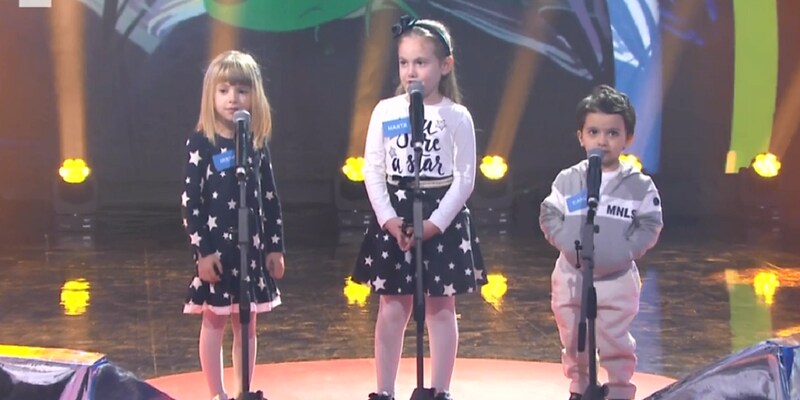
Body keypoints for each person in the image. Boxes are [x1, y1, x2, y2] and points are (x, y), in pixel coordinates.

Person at [352, 15, 487, 400]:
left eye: (421, 62)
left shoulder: (456, 116)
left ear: (445, 65)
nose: (411, 71)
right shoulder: (386, 111)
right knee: (392, 308)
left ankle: (440, 389)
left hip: (439, 215)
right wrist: (389, 220)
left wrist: (435, 223)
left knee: (441, 307)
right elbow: (373, 169)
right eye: (404, 62)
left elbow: (465, 177)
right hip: (396, 214)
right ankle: (384, 390)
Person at [539, 84, 663, 400]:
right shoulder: (568, 179)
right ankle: (580, 388)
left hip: (617, 279)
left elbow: (650, 223)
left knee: (614, 339)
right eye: (593, 132)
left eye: (612, 133)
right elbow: (549, 215)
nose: (602, 141)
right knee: (574, 338)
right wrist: (569, 245)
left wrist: (625, 250)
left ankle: (619, 389)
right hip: (571, 277)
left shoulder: (638, 184)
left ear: (628, 138)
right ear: (581, 136)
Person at [181, 50, 285, 400]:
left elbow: (269, 197)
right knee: (214, 319)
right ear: (211, 94)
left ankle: (244, 391)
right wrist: (203, 251)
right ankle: (217, 393)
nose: (233, 98)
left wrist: (275, 246)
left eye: (241, 90)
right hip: (218, 251)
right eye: (224, 90)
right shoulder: (202, 142)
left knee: (247, 322)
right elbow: (191, 201)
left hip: (250, 252)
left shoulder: (255, 142)